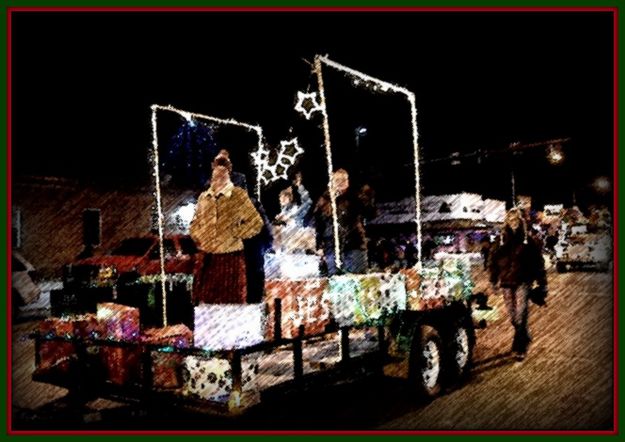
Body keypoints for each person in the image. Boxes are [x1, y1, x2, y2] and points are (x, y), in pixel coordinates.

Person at [190, 156, 263, 304]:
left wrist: (236, 232)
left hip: (231, 258)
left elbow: (256, 223)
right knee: (206, 302)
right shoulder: (204, 197)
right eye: (216, 172)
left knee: (231, 303)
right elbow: (194, 223)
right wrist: (199, 235)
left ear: (228, 173)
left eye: (223, 172)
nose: (219, 176)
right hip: (208, 258)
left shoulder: (238, 195)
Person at [488, 208, 548, 361]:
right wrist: (493, 280)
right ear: (507, 222)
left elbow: (538, 263)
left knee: (521, 315)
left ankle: (519, 347)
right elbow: (492, 261)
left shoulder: (529, 240)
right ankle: (525, 335)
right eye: (511, 220)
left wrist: (542, 284)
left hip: (523, 281)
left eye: (516, 220)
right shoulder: (501, 240)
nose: (513, 223)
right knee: (513, 318)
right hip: (506, 282)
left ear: (520, 221)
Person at [314, 168, 376, 275]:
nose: (341, 182)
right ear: (331, 182)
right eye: (337, 180)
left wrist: (366, 197)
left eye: (344, 180)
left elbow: (370, 213)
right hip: (332, 246)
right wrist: (319, 245)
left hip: (354, 244)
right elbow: (318, 224)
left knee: (357, 279)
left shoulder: (354, 197)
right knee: (336, 281)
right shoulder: (324, 200)